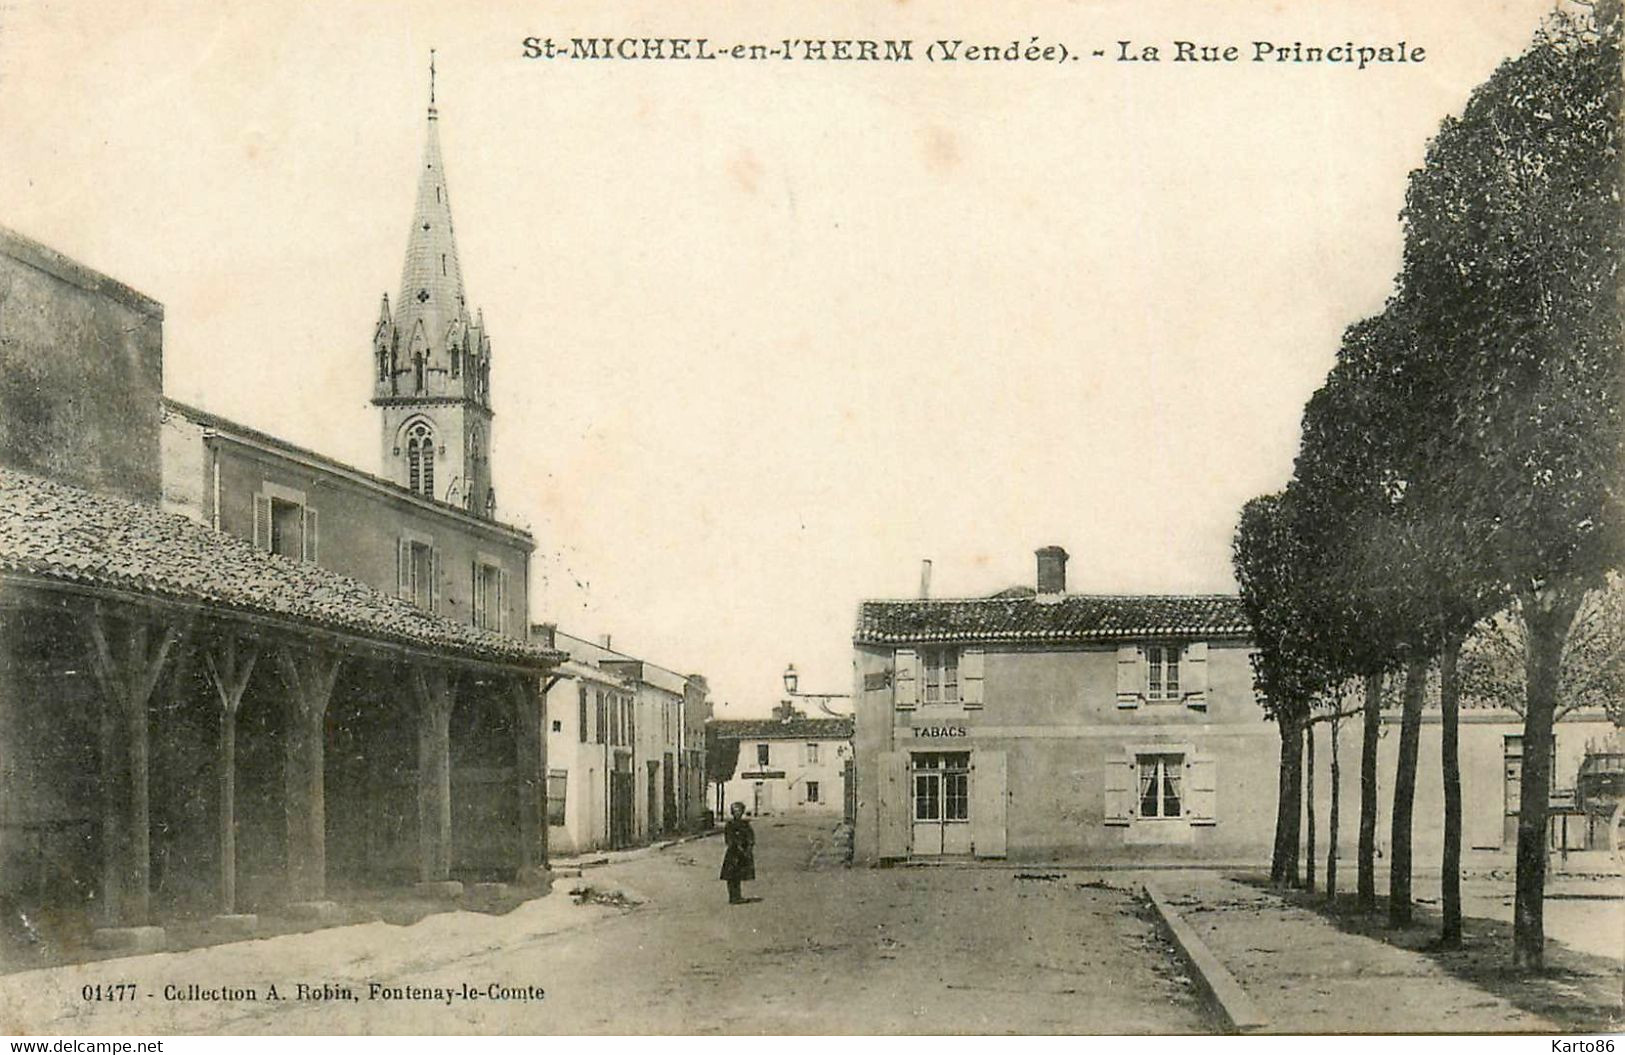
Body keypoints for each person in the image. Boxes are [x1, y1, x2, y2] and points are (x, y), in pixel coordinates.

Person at [719, 801, 755, 904]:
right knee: (731, 875)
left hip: (743, 853)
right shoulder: (730, 825)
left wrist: (749, 847)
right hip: (733, 853)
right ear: (732, 812)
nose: (737, 813)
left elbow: (750, 836)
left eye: (739, 810)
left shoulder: (745, 824)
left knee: (738, 875)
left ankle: (737, 896)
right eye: (735, 811)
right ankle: (732, 897)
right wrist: (736, 846)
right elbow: (729, 839)